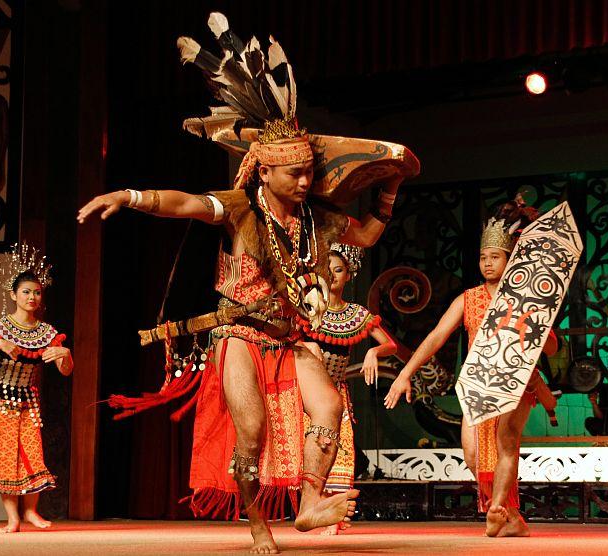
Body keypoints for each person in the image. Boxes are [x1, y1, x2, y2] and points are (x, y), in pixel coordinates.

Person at [78, 13, 417, 554]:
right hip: (239, 334)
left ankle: (307, 506)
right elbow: (186, 204)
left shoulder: (316, 218)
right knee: (252, 433)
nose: (306, 181)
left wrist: (391, 186)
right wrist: (133, 196)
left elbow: (369, 235)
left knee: (329, 409)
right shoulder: (242, 208)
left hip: (290, 337)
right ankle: (258, 524)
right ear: (265, 171)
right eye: (294, 174)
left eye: (310, 171)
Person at [384, 199, 557, 538]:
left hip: (515, 380)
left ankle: (497, 509)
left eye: (495, 257)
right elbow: (435, 337)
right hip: (477, 384)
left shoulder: (525, 298)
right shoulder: (468, 298)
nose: (488, 263)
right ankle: (511, 518)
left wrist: (533, 321)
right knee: (473, 455)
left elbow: (550, 346)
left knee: (507, 441)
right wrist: (405, 373)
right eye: (483, 257)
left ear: (510, 260)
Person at [0, 243, 72, 533]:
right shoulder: (0, 327)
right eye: (26, 292)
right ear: (13, 295)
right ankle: (13, 517)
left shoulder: (47, 332)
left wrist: (66, 355)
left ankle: (31, 511)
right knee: (4, 456)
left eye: (36, 292)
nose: (32, 297)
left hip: (26, 398)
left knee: (33, 452)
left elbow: (65, 371)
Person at [300, 243, 397, 535]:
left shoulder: (356, 314)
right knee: (309, 449)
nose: (332, 276)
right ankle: (310, 506)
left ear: (349, 274)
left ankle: (335, 515)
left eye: (338, 270)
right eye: (326, 270)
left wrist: (373, 353)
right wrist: (308, 346)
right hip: (307, 392)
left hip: (336, 392)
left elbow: (389, 344)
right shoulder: (308, 308)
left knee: (339, 451)